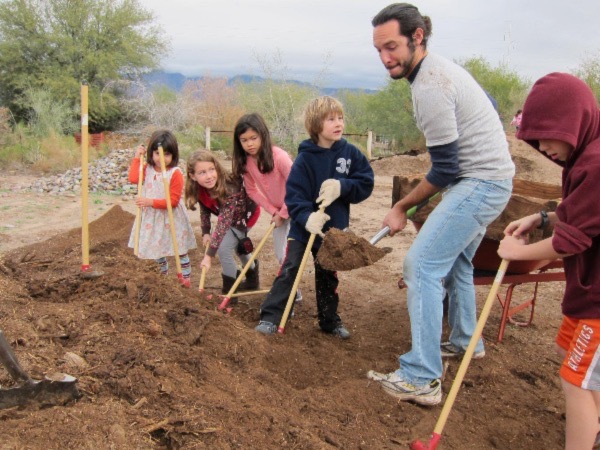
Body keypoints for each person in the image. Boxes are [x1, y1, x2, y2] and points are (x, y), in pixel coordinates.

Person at [367, 3, 515, 405]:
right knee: (457, 262)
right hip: (490, 178)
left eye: (392, 47)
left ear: (417, 37)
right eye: (379, 49)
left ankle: (421, 377)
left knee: (422, 265)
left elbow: (445, 168)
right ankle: (467, 342)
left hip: (480, 183)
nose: (385, 58)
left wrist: (401, 207)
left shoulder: (431, 85)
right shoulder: (437, 72)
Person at [497, 73, 600, 450]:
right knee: (568, 354)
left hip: (599, 297)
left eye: (546, 136)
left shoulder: (597, 162)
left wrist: (517, 253)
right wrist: (542, 218)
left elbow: (571, 242)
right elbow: (580, 212)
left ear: (570, 122)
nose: (542, 147)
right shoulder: (585, 155)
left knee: (576, 379)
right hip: (588, 291)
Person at [254, 96, 374, 338]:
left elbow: (366, 183)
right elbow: (294, 195)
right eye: (331, 119)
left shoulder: (351, 154)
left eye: (340, 118)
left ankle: (329, 320)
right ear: (315, 124)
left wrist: (342, 186)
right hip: (302, 228)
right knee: (290, 268)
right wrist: (307, 216)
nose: (338, 123)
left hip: (333, 231)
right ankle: (272, 315)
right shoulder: (305, 159)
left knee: (328, 274)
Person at [231, 113, 302, 302]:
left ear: (263, 135)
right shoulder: (246, 162)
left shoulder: (280, 157)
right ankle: (294, 290)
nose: (250, 144)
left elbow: (297, 186)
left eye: (254, 138)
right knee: (281, 254)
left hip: (298, 208)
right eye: (244, 140)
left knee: (294, 252)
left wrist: (284, 212)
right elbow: (252, 190)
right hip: (279, 211)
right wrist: (273, 211)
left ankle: (290, 290)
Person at [184, 150, 261, 294]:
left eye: (211, 169)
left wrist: (209, 255)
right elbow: (205, 208)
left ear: (216, 167)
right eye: (202, 173)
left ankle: (230, 292)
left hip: (246, 215)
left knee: (224, 248)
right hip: (230, 217)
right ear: (192, 176)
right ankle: (252, 281)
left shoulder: (230, 188)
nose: (209, 176)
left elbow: (223, 223)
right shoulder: (200, 188)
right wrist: (206, 232)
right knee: (239, 245)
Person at [127, 130, 197, 287]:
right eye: (157, 154)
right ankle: (162, 281)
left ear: (173, 155)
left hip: (171, 218)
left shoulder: (175, 173)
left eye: (166, 154)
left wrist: (150, 201)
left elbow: (172, 201)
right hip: (152, 218)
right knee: (156, 251)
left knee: (180, 252)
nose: (161, 159)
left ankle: (185, 281)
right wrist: (137, 158)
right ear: (152, 153)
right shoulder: (147, 168)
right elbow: (133, 178)